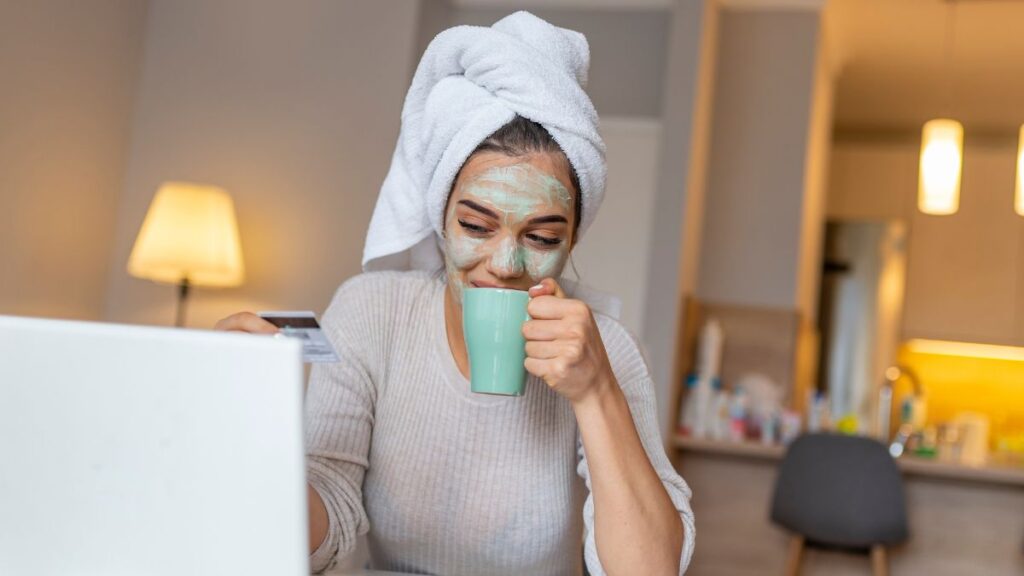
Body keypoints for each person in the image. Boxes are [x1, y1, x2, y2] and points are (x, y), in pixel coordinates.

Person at [216, 12, 694, 576]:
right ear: (440, 217)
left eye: (541, 237)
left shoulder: (606, 351)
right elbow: (320, 533)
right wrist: (244, 416)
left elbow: (651, 571)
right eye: (476, 226)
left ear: (571, 241)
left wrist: (596, 394)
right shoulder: (371, 313)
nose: (505, 264)